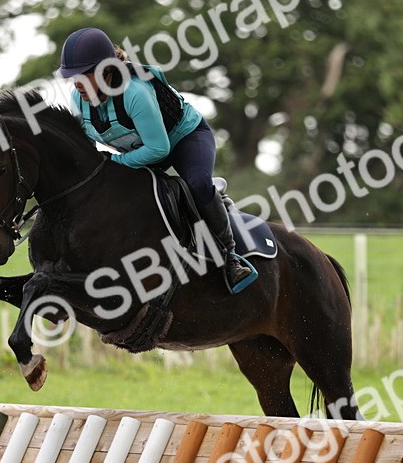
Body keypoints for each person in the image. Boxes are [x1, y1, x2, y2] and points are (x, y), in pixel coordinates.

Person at [57, 27, 257, 294]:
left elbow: (158, 149)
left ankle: (230, 256)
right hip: (143, 151)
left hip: (184, 139)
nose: (77, 83)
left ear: (107, 70)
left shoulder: (134, 93)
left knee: (196, 183)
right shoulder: (78, 101)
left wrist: (116, 163)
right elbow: (88, 151)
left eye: (84, 74)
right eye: (73, 77)